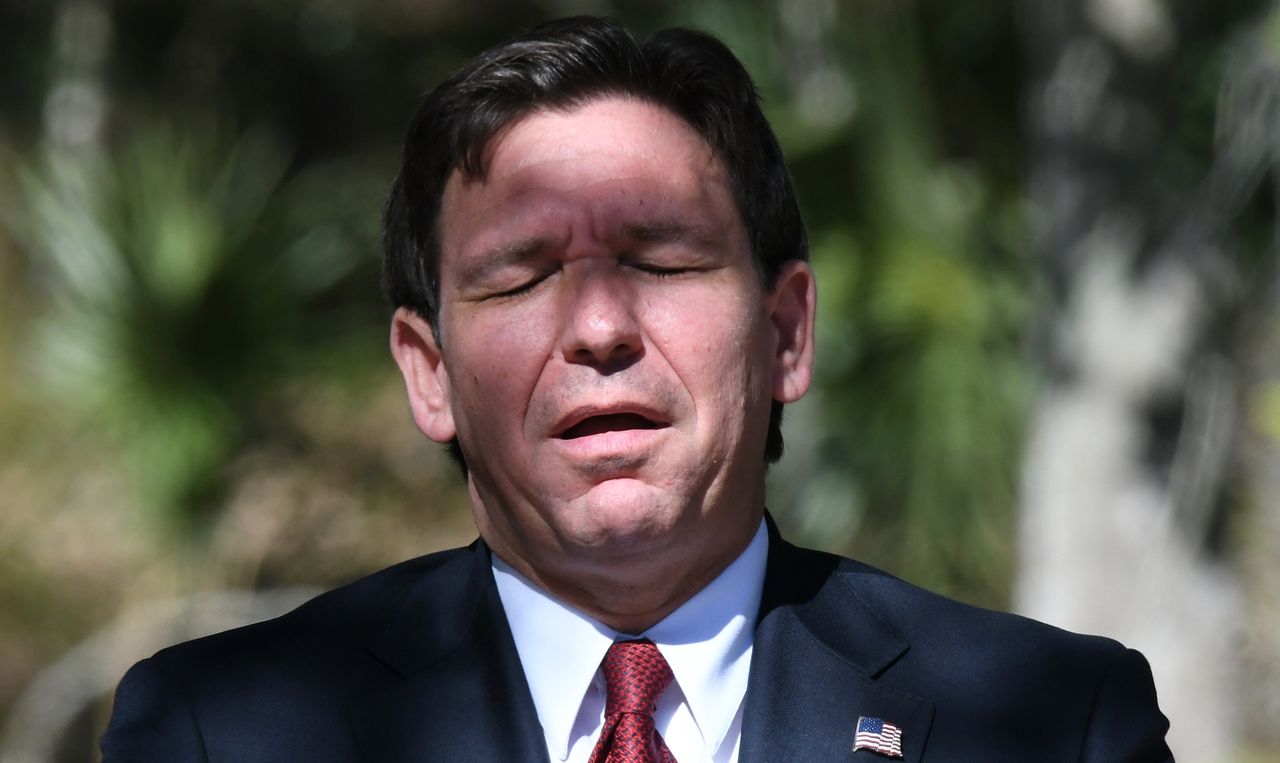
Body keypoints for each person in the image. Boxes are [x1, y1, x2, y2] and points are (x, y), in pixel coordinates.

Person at [101, 16, 1173, 762]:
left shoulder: (1053, 722)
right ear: (429, 374)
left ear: (785, 332)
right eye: (519, 276)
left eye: (661, 262)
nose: (601, 328)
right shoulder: (222, 731)